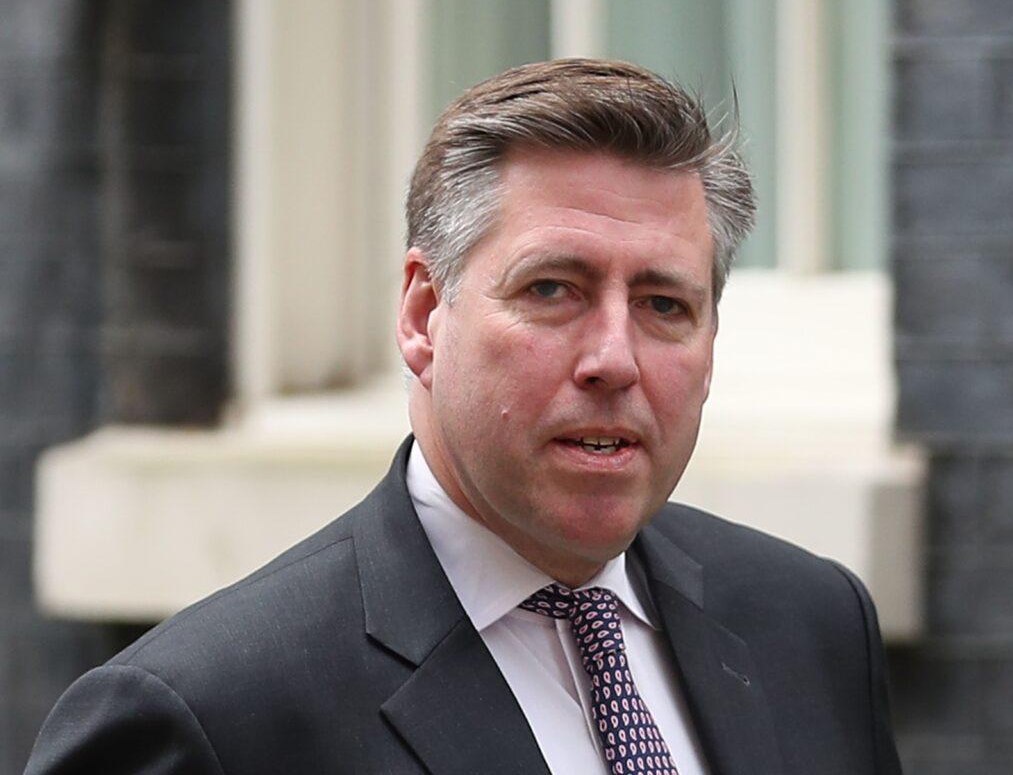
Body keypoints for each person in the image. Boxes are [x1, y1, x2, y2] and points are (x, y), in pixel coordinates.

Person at [26, 59, 902, 774]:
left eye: (664, 304)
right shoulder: (211, 718)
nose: (615, 358)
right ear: (421, 316)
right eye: (552, 289)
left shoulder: (811, 625)